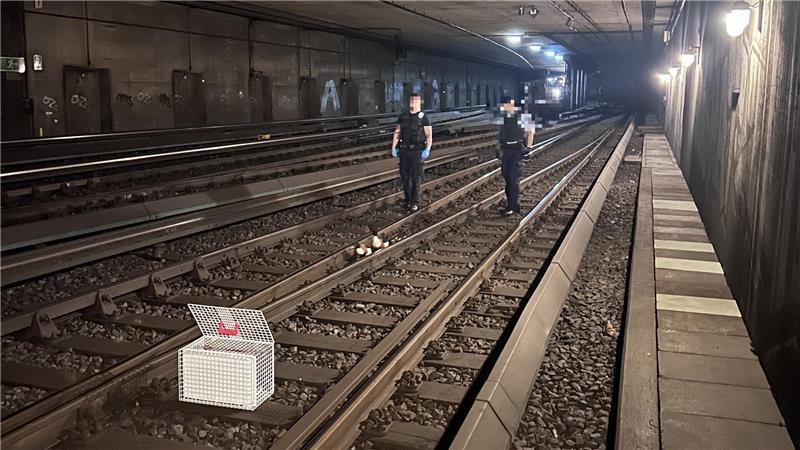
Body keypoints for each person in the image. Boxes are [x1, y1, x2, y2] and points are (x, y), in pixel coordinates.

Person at [391, 93, 433, 211]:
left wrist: (427, 149)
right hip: (404, 151)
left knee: (415, 177)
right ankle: (407, 200)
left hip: (417, 151)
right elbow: (397, 132)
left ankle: (414, 202)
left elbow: (428, 135)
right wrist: (393, 147)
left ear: (419, 102)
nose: (412, 103)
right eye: (411, 101)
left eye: (415, 101)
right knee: (405, 177)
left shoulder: (424, 117)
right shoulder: (403, 116)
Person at [498, 96, 535, 215]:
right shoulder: (505, 118)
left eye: (506, 106)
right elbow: (501, 134)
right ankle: (513, 204)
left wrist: (528, 147)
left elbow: (530, 131)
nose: (504, 108)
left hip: (517, 151)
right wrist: (498, 148)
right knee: (507, 177)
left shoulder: (523, 116)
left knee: (513, 178)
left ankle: (512, 207)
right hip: (506, 151)